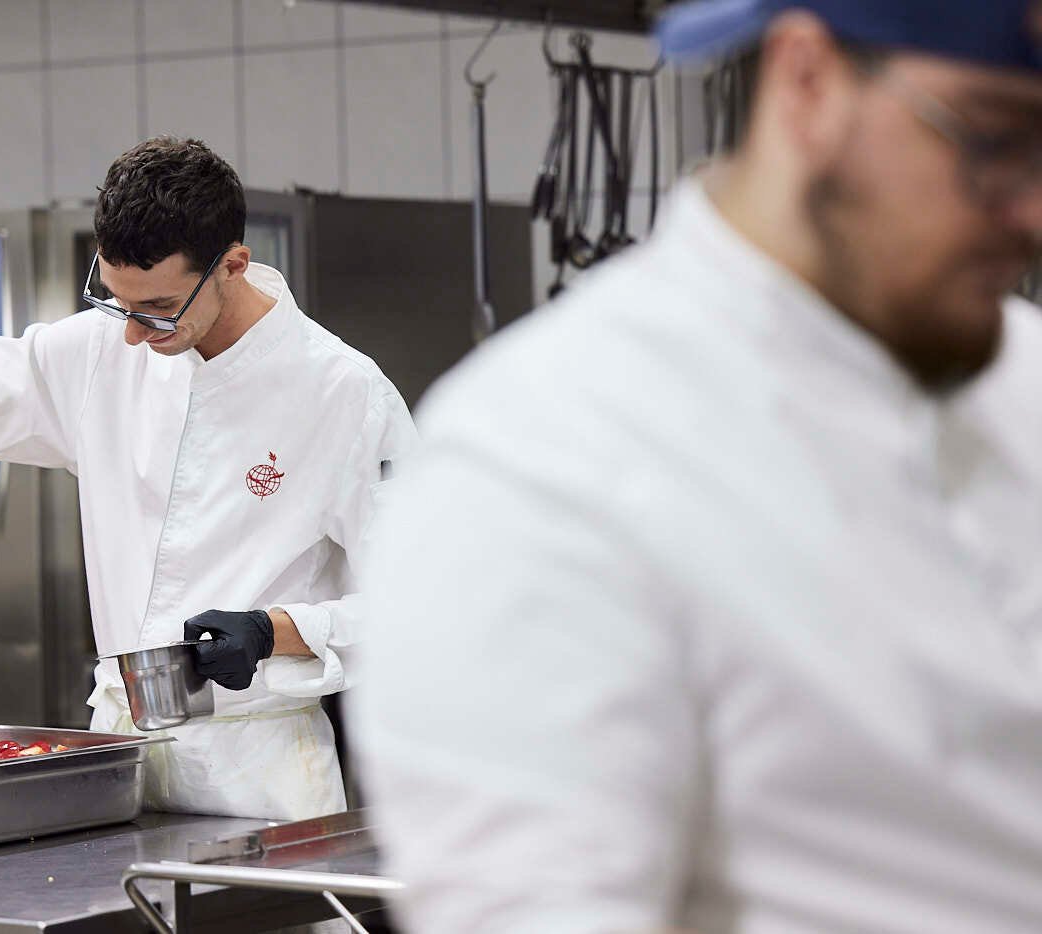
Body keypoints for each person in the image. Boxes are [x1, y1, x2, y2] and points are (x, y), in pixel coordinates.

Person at [353, 1, 1042, 931]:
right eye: (996, 136)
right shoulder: (541, 462)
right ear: (808, 82)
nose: (1033, 211)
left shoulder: (1023, 375)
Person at [0, 136, 416, 821]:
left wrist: (277, 631)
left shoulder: (343, 394)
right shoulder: (104, 354)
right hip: (119, 762)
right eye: (117, 301)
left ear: (233, 266)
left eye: (157, 308)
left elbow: (424, 601)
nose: (130, 334)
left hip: (261, 777)